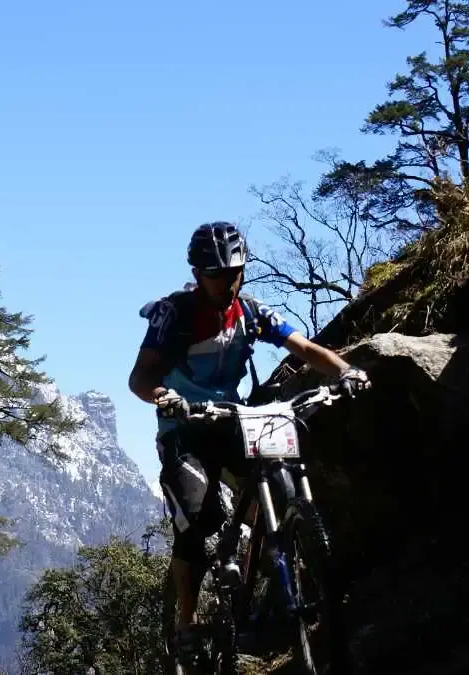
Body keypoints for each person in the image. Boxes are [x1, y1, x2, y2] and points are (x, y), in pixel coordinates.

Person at [128, 221, 370, 659]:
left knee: (279, 486)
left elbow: (303, 347)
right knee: (197, 522)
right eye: (216, 274)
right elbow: (139, 377)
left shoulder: (252, 312)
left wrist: (344, 371)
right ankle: (186, 622)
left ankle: (278, 583)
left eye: (234, 272)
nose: (227, 282)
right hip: (185, 429)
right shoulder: (174, 313)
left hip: (235, 420)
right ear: (198, 273)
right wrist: (163, 397)